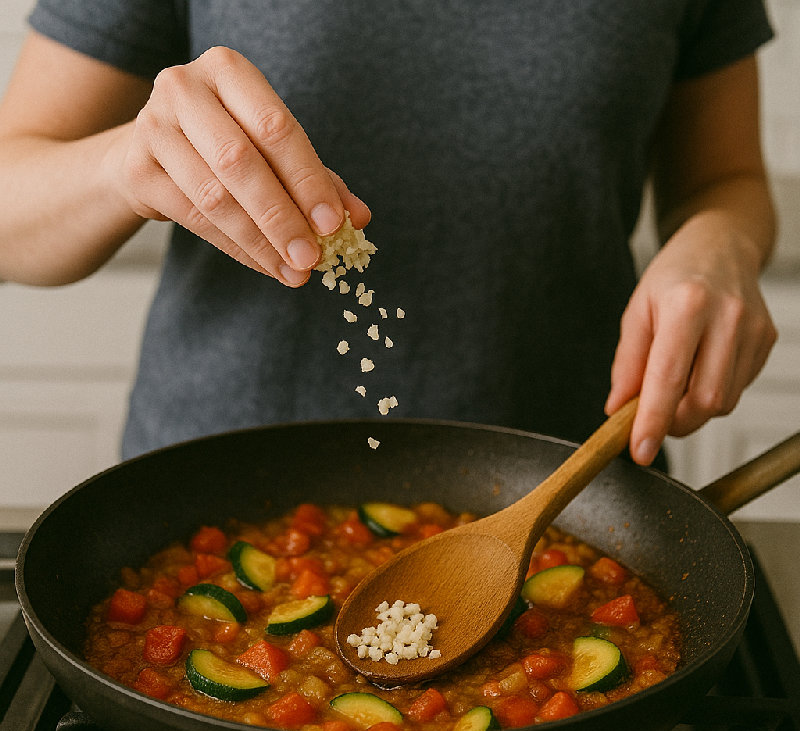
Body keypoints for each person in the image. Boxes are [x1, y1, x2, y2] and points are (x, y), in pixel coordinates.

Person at [0, 1, 778, 468]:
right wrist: (124, 166)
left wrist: (723, 239)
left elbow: (727, 179)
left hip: (571, 490)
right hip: (199, 499)